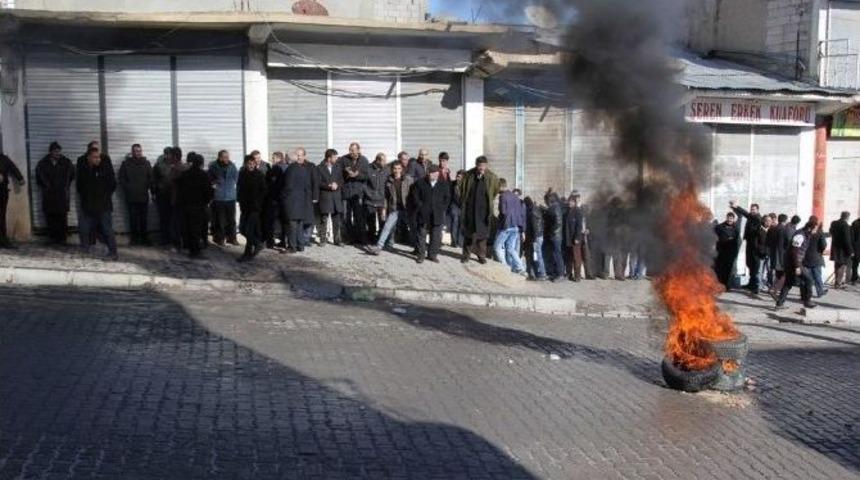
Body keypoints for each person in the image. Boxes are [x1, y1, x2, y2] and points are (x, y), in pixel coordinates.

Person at [76, 146, 118, 259]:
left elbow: (112, 184)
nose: (98, 159)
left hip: (103, 205)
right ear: (88, 158)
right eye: (95, 157)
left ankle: (113, 252)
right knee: (84, 227)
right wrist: (86, 197)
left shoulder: (104, 169)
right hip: (88, 204)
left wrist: (104, 196)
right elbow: (79, 186)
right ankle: (84, 249)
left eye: (98, 157)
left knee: (107, 228)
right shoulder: (84, 169)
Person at [459, 156, 500, 264]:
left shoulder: (492, 177)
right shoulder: (469, 175)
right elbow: (463, 189)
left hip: (484, 210)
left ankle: (481, 255)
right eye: (479, 166)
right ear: (476, 165)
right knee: (469, 233)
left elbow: (495, 191)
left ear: (486, 166)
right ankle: (466, 255)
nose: (481, 168)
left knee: (483, 234)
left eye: (483, 166)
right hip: (470, 208)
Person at [367, 161, 413, 255]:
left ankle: (418, 248)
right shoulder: (389, 180)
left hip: (407, 208)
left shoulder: (408, 179)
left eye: (399, 168)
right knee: (387, 227)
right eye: (395, 169)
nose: (397, 171)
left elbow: (414, 193)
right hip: (394, 208)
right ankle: (379, 247)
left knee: (414, 228)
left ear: (402, 169)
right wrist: (384, 209)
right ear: (392, 169)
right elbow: (386, 197)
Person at [35, 142, 75, 245]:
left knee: (62, 217)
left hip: (61, 194)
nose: (57, 153)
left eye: (58, 151)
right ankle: (52, 238)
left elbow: (71, 176)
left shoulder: (66, 162)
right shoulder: (43, 163)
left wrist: (64, 186)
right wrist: (47, 186)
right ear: (50, 152)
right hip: (49, 194)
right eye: (55, 151)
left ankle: (62, 238)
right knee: (50, 217)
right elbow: (39, 178)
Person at [175, 153, 213, 258]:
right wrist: (206, 202)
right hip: (199, 207)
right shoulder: (203, 175)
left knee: (189, 228)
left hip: (186, 206)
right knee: (197, 229)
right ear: (201, 163)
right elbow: (209, 191)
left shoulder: (185, 174)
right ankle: (195, 252)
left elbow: (179, 189)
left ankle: (191, 249)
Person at [776, 217, 819, 309]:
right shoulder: (800, 235)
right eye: (815, 229)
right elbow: (794, 251)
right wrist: (797, 266)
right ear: (810, 228)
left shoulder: (806, 235)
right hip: (793, 262)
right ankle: (807, 301)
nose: (816, 231)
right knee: (809, 280)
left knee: (788, 283)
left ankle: (779, 304)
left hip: (794, 262)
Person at [410, 164, 450, 263]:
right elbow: (415, 196)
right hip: (423, 213)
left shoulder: (443, 184)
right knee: (421, 235)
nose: (434, 175)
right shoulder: (420, 183)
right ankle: (421, 255)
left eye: (436, 173)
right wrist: (420, 205)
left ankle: (432, 255)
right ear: (428, 173)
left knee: (436, 236)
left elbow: (447, 197)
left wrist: (442, 208)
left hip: (437, 213)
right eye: (432, 173)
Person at [281, 147, 318, 252]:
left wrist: (283, 197)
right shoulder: (303, 169)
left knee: (292, 225)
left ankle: (292, 247)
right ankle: (300, 245)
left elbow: (287, 186)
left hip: (292, 201)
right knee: (299, 224)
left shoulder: (291, 169)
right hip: (302, 200)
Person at [118, 144, 153, 246]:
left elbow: (151, 177)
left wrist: (148, 187)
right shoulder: (126, 164)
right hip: (131, 196)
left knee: (144, 219)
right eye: (136, 151)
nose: (138, 153)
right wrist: (128, 188)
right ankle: (135, 239)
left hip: (143, 195)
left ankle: (144, 238)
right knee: (133, 219)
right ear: (132, 152)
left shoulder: (146, 163)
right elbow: (121, 178)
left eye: (139, 151)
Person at [237, 154, 267, 262]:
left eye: (253, 164)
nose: (251, 166)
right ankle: (258, 243)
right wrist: (239, 200)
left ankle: (247, 253)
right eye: (249, 164)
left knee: (249, 230)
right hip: (244, 207)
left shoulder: (259, 175)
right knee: (242, 229)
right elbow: (239, 189)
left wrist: (258, 203)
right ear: (245, 164)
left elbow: (264, 191)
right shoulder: (242, 174)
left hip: (254, 208)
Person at [492, 178, 526, 274]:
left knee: (497, 247)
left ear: (500, 186)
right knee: (511, 248)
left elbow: (503, 212)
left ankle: (504, 267)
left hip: (506, 226)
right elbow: (520, 213)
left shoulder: (503, 196)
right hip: (516, 226)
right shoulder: (515, 197)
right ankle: (520, 267)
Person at [730, 201, 763, 294]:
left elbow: (747, 215)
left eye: (753, 209)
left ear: (757, 210)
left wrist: (737, 207)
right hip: (750, 244)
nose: (752, 211)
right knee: (749, 264)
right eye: (751, 209)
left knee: (755, 266)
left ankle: (756, 287)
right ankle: (750, 284)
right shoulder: (752, 217)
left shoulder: (757, 218)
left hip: (755, 246)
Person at [339, 142, 369, 245]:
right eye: (350, 150)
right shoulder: (343, 159)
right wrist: (346, 173)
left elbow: (366, 176)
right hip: (346, 192)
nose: (351, 152)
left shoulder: (364, 160)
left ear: (358, 150)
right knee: (346, 217)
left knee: (359, 217)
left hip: (358, 193)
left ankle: (361, 238)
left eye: (353, 150)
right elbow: (339, 174)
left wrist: (357, 175)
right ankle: (348, 238)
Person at [208, 150, 239, 246]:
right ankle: (220, 238)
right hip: (219, 197)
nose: (227, 159)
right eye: (225, 157)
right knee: (220, 220)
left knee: (231, 219)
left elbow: (237, 178)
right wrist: (214, 184)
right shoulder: (213, 166)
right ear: (220, 157)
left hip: (230, 196)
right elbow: (209, 179)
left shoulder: (232, 166)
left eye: (228, 157)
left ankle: (232, 238)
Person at [152, 147, 180, 247]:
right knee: (164, 218)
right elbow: (153, 179)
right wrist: (154, 192)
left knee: (173, 219)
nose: (168, 156)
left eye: (169, 154)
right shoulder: (159, 165)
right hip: (162, 194)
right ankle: (165, 239)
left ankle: (173, 239)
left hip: (172, 195)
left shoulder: (176, 164)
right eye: (166, 154)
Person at [317, 149, 344, 246]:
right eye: (335, 157)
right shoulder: (319, 168)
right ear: (329, 158)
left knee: (336, 220)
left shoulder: (338, 167)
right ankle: (323, 240)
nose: (336, 159)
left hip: (336, 197)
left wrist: (337, 184)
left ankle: (337, 240)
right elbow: (318, 182)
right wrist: (329, 186)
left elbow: (341, 180)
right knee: (323, 219)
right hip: (325, 196)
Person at [0, 152, 25, 249]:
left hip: (2, 191)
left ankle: (3, 239)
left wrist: (20, 178)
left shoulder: (3, 158)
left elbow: (13, 168)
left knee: (1, 215)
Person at [263, 151, 286, 248]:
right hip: (282, 199)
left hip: (274, 199)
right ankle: (283, 241)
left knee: (271, 221)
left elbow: (273, 185)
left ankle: (270, 242)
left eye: (273, 158)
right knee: (282, 221)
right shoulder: (286, 167)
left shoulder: (276, 168)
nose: (272, 160)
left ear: (278, 158)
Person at [714, 211, 741, 290]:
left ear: (733, 219)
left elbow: (737, 241)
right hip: (721, 252)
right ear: (726, 218)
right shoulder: (719, 227)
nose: (730, 220)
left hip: (731, 253)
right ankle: (718, 284)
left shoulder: (736, 228)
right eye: (728, 218)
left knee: (728, 270)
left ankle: (726, 286)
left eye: (731, 218)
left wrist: (735, 253)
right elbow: (714, 238)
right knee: (720, 269)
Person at [365, 153, 388, 242]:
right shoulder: (368, 169)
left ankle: (381, 240)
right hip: (370, 200)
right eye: (383, 161)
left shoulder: (386, 170)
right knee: (371, 221)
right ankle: (371, 239)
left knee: (382, 220)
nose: (385, 163)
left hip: (382, 200)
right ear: (378, 160)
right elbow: (364, 184)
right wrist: (369, 194)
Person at [523, 196, 547, 281]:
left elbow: (534, 226)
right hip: (539, 236)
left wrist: (534, 238)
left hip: (536, 237)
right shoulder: (536, 209)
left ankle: (542, 274)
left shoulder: (532, 212)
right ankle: (538, 272)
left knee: (538, 255)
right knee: (536, 255)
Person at [829, 211, 854, 289]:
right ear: (847, 217)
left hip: (835, 247)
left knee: (836, 265)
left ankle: (837, 282)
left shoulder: (834, 223)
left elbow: (831, 232)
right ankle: (838, 283)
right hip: (842, 250)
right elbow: (847, 239)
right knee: (842, 266)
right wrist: (850, 251)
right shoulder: (845, 225)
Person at [750, 214, 772, 298]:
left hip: (769, 254)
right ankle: (758, 287)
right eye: (767, 221)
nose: (769, 222)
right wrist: (761, 252)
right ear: (764, 221)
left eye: (770, 221)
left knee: (768, 271)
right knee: (759, 271)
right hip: (760, 254)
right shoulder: (758, 231)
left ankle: (766, 285)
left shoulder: (772, 230)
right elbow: (755, 244)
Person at [565, 192, 586, 282]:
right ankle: (569, 274)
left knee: (576, 257)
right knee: (569, 257)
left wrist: (577, 238)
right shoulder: (568, 211)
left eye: (571, 201)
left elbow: (579, 226)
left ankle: (577, 276)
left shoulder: (577, 211)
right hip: (569, 239)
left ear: (574, 202)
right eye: (569, 201)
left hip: (575, 239)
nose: (569, 203)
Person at [447, 169, 465, 248]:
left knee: (462, 224)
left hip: (463, 207)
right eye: (457, 176)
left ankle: (460, 242)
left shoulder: (466, 185)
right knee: (454, 222)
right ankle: (454, 242)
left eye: (460, 177)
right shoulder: (452, 184)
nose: (458, 178)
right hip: (454, 205)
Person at [852, 217, 860, 285]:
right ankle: (854, 278)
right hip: (856, 247)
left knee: (855, 264)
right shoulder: (855, 223)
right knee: (855, 264)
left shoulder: (854, 223)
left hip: (855, 247)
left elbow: (852, 236)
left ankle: (854, 278)